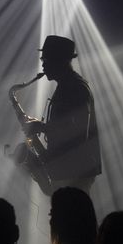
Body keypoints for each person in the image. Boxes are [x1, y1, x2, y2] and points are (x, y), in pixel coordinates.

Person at [23, 35, 101, 193]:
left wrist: (42, 127)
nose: (43, 65)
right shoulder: (66, 85)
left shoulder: (76, 87)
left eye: (46, 60)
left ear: (60, 60)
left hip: (75, 170)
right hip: (67, 169)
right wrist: (41, 125)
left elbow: (79, 130)